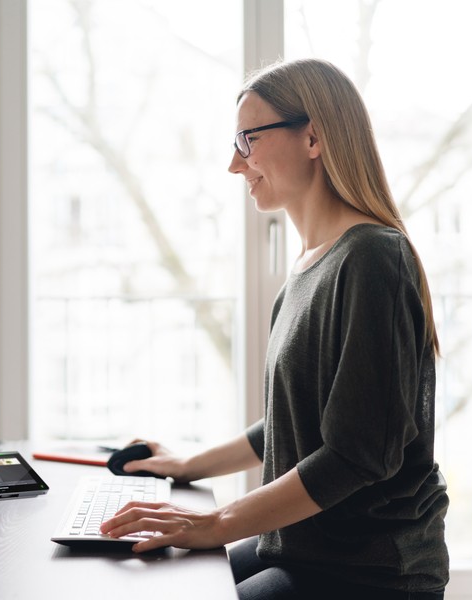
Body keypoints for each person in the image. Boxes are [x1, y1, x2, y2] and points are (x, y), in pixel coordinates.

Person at [99, 58, 449, 599]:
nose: (235, 165)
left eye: (247, 140)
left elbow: (355, 454)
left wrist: (215, 524)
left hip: (368, 572)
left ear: (312, 137)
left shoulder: (373, 258)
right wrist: (188, 464)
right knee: (145, 572)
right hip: (308, 548)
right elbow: (293, 422)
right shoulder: (309, 268)